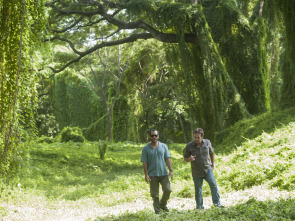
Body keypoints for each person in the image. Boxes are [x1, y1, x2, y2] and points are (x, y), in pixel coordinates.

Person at [183, 128, 223, 209]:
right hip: (196, 171)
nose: (196, 139)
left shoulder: (207, 142)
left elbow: (212, 153)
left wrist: (212, 164)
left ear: (202, 136)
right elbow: (185, 158)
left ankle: (217, 204)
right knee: (198, 190)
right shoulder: (189, 146)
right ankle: (199, 207)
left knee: (213, 185)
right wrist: (189, 158)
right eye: (194, 137)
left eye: (198, 137)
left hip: (207, 169)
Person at [141, 129, 173, 214]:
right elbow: (144, 162)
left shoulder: (163, 146)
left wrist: (170, 170)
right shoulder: (145, 148)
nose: (154, 137)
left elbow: (167, 159)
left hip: (164, 173)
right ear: (149, 136)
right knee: (155, 195)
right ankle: (157, 211)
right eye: (152, 136)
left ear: (158, 136)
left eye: (155, 135)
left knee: (168, 190)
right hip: (152, 174)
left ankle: (162, 205)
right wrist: (146, 174)